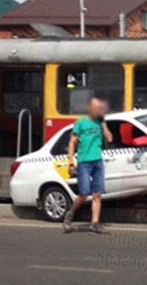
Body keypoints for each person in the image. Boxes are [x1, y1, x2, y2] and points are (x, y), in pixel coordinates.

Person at [64, 98, 113, 233]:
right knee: (84, 194)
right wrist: (71, 160)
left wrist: (103, 125)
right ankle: (70, 214)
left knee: (97, 194)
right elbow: (72, 143)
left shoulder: (100, 123)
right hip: (84, 162)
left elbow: (109, 138)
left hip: (97, 161)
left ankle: (95, 223)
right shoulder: (81, 123)